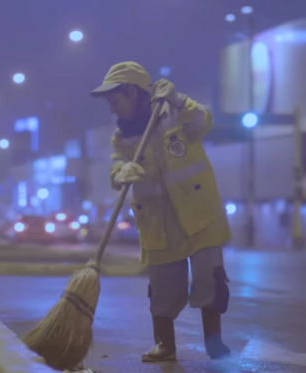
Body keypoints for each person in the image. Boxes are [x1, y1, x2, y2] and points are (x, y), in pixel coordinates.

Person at [90, 61, 232, 362]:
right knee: (163, 288)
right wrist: (120, 172)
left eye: (116, 101)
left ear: (133, 92)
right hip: (157, 222)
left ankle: (214, 343)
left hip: (199, 214)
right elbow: (115, 166)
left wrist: (178, 99)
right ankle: (164, 345)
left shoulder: (174, 114)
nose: (113, 109)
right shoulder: (122, 137)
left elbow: (204, 121)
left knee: (209, 280)